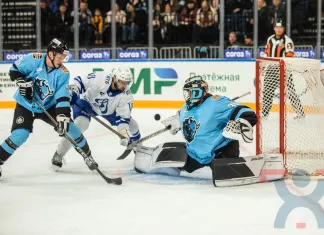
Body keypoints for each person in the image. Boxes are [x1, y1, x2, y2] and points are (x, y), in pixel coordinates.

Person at [0, 38, 97, 177]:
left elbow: (62, 96)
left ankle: (88, 156)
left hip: (49, 106)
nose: (62, 60)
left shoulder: (63, 73)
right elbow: (14, 69)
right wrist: (21, 82)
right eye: (60, 56)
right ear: (51, 54)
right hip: (26, 104)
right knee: (20, 134)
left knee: (71, 128)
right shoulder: (33, 59)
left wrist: (63, 115)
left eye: (64, 57)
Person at [133, 76, 260, 179]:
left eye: (189, 92)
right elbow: (182, 116)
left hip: (220, 151)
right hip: (195, 154)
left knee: (224, 175)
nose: (187, 95)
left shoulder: (216, 103)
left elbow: (246, 112)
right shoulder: (186, 108)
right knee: (173, 163)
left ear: (197, 92)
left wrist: (242, 121)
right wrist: (178, 120)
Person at [51, 67, 141, 170]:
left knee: (133, 125)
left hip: (109, 110)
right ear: (115, 78)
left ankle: (138, 147)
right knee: (79, 126)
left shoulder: (126, 96)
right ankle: (59, 154)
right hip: (87, 103)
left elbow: (124, 117)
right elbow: (80, 81)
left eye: (127, 82)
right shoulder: (101, 78)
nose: (125, 85)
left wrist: (123, 133)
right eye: (122, 82)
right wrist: (73, 93)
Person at [262, 18, 305, 119]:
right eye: (277, 27)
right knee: (267, 92)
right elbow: (266, 54)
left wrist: (285, 68)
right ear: (274, 28)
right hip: (271, 69)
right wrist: (264, 66)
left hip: (284, 70)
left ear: (284, 28)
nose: (279, 29)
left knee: (291, 92)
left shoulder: (288, 41)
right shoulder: (270, 39)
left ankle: (300, 113)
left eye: (281, 27)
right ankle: (265, 113)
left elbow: (290, 57)